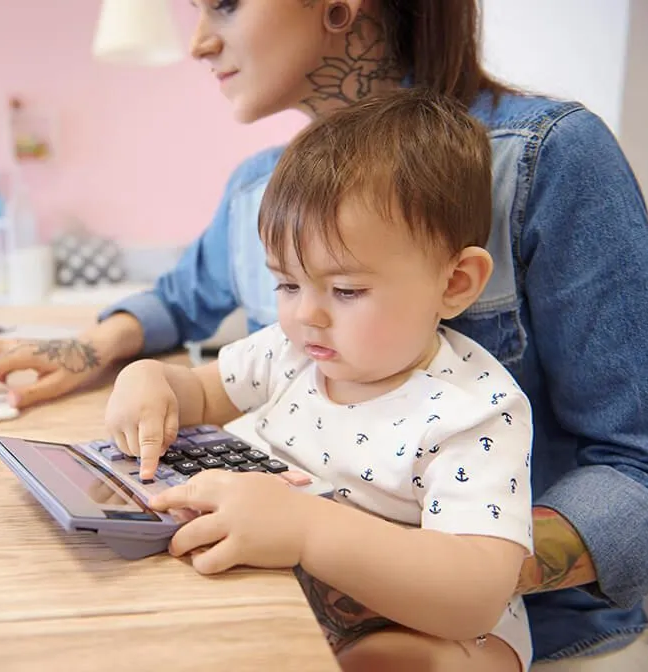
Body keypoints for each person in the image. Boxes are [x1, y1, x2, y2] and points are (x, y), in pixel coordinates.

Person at [0, 1, 648, 668]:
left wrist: (389, 556)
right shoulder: (262, 190)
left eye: (225, 5)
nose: (200, 41)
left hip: (520, 629)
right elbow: (177, 301)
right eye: (285, 285)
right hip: (286, 588)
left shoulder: (543, 158)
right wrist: (99, 355)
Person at [107, 89, 536, 671]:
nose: (306, 313)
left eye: (347, 290)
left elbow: (474, 596)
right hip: (285, 591)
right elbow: (199, 393)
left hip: (427, 626)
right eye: (286, 284)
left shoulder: (474, 410)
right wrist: (149, 379)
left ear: (456, 282)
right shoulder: (292, 351)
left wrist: (308, 529)